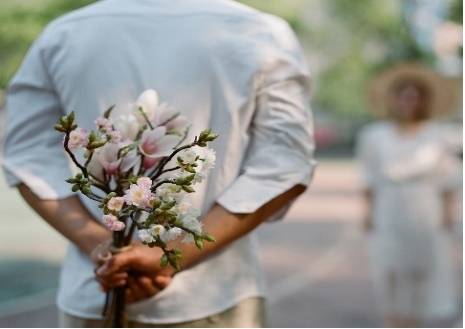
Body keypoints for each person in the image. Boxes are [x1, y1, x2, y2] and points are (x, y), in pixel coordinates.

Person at [1, 0, 315, 327]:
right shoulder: (260, 34)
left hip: (95, 289)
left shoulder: (63, 34)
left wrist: (103, 248)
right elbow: (286, 165)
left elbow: (25, 155)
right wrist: (171, 255)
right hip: (212, 295)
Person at [357, 63, 461, 327]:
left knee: (424, 269)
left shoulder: (437, 135)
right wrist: (368, 212)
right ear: (394, 99)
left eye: (415, 96)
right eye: (404, 95)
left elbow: (448, 180)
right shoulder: (374, 135)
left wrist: (448, 214)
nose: (409, 101)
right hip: (389, 209)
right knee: (390, 268)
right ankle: (394, 321)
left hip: (426, 210)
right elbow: (368, 178)